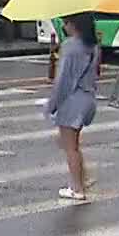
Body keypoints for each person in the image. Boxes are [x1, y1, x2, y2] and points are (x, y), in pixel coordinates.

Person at [46, 11, 100, 201]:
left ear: (73, 25)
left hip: (72, 100)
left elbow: (63, 82)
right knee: (74, 145)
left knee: (70, 147)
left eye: (66, 22)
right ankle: (82, 179)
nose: (64, 26)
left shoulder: (70, 46)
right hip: (88, 98)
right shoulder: (92, 46)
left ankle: (77, 188)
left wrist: (52, 105)